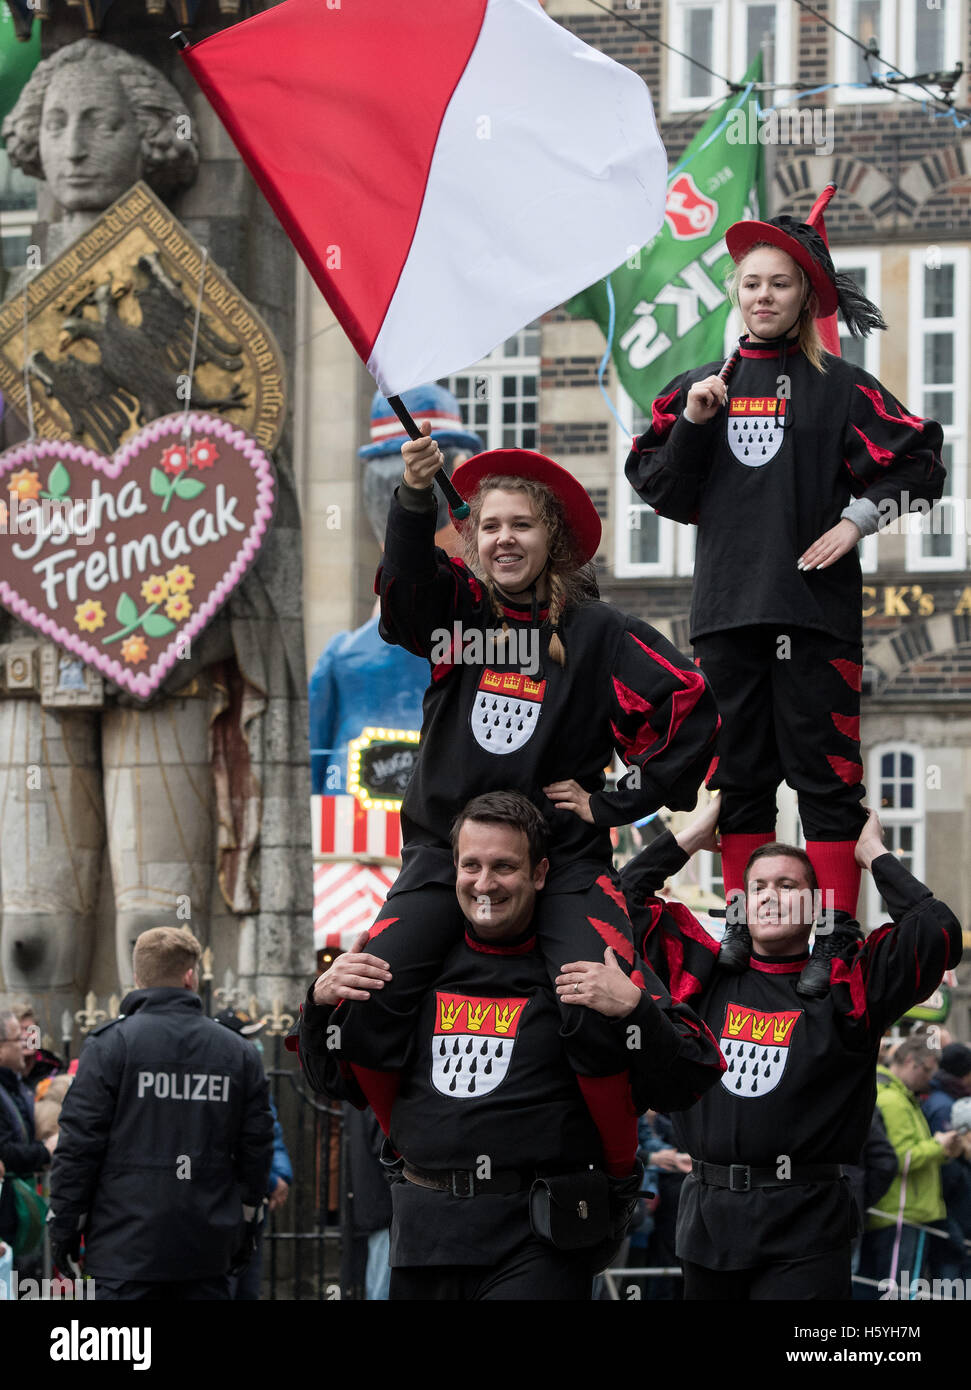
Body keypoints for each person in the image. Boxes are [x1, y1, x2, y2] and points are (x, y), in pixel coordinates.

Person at [339, 430, 720, 1176]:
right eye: (488, 525)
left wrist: (615, 803)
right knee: (366, 994)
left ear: (554, 538)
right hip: (445, 857)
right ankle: (401, 1143)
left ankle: (616, 1165)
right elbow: (403, 596)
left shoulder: (599, 634)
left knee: (592, 1003)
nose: (504, 539)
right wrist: (415, 498)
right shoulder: (456, 613)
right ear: (471, 538)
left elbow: (689, 705)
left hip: (565, 862)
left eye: (521, 524)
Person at [625, 192, 946, 994]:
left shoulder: (840, 388)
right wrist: (698, 422)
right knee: (740, 778)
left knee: (827, 779)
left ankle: (836, 932)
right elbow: (659, 486)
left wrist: (857, 522)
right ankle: (740, 919)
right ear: (735, 294)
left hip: (814, 614)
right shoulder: (698, 386)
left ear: (806, 295)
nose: (761, 295)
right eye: (748, 283)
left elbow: (922, 466)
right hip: (728, 609)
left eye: (777, 283)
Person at [298, 791, 724, 1300]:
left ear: (540, 873)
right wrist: (320, 1003)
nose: (484, 883)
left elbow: (694, 1070)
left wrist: (637, 1009)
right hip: (424, 1232)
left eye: (503, 866)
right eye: (471, 865)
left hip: (540, 1235)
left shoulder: (588, 966)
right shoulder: (414, 969)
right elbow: (332, 1082)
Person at [616, 798, 962, 1300]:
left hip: (807, 1228)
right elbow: (616, 903)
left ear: (816, 906)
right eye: (758, 887)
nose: (771, 896)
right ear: (740, 902)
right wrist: (690, 838)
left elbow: (935, 931)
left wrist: (872, 853)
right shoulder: (703, 973)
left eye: (788, 886)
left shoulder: (849, 986)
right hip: (708, 1224)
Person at [48, 927, 274, 1300]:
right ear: (191, 976)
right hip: (204, 1251)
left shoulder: (110, 1045)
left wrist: (65, 1226)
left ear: (137, 979)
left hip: (123, 1252)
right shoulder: (238, 1052)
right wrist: (246, 1225)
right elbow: (256, 1152)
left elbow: (78, 1147)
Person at [858, 1035, 962, 1293]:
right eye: (926, 1070)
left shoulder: (901, 1097)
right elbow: (901, 1158)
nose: (929, 1078)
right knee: (899, 1291)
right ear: (909, 1062)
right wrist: (938, 1147)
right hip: (902, 1214)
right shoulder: (893, 1100)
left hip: (903, 1213)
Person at [0, 1010, 56, 1265]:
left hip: (19, 1209)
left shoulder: (17, 1085)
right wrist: (45, 1151)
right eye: (17, 1038)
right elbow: (5, 1153)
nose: (25, 1043)